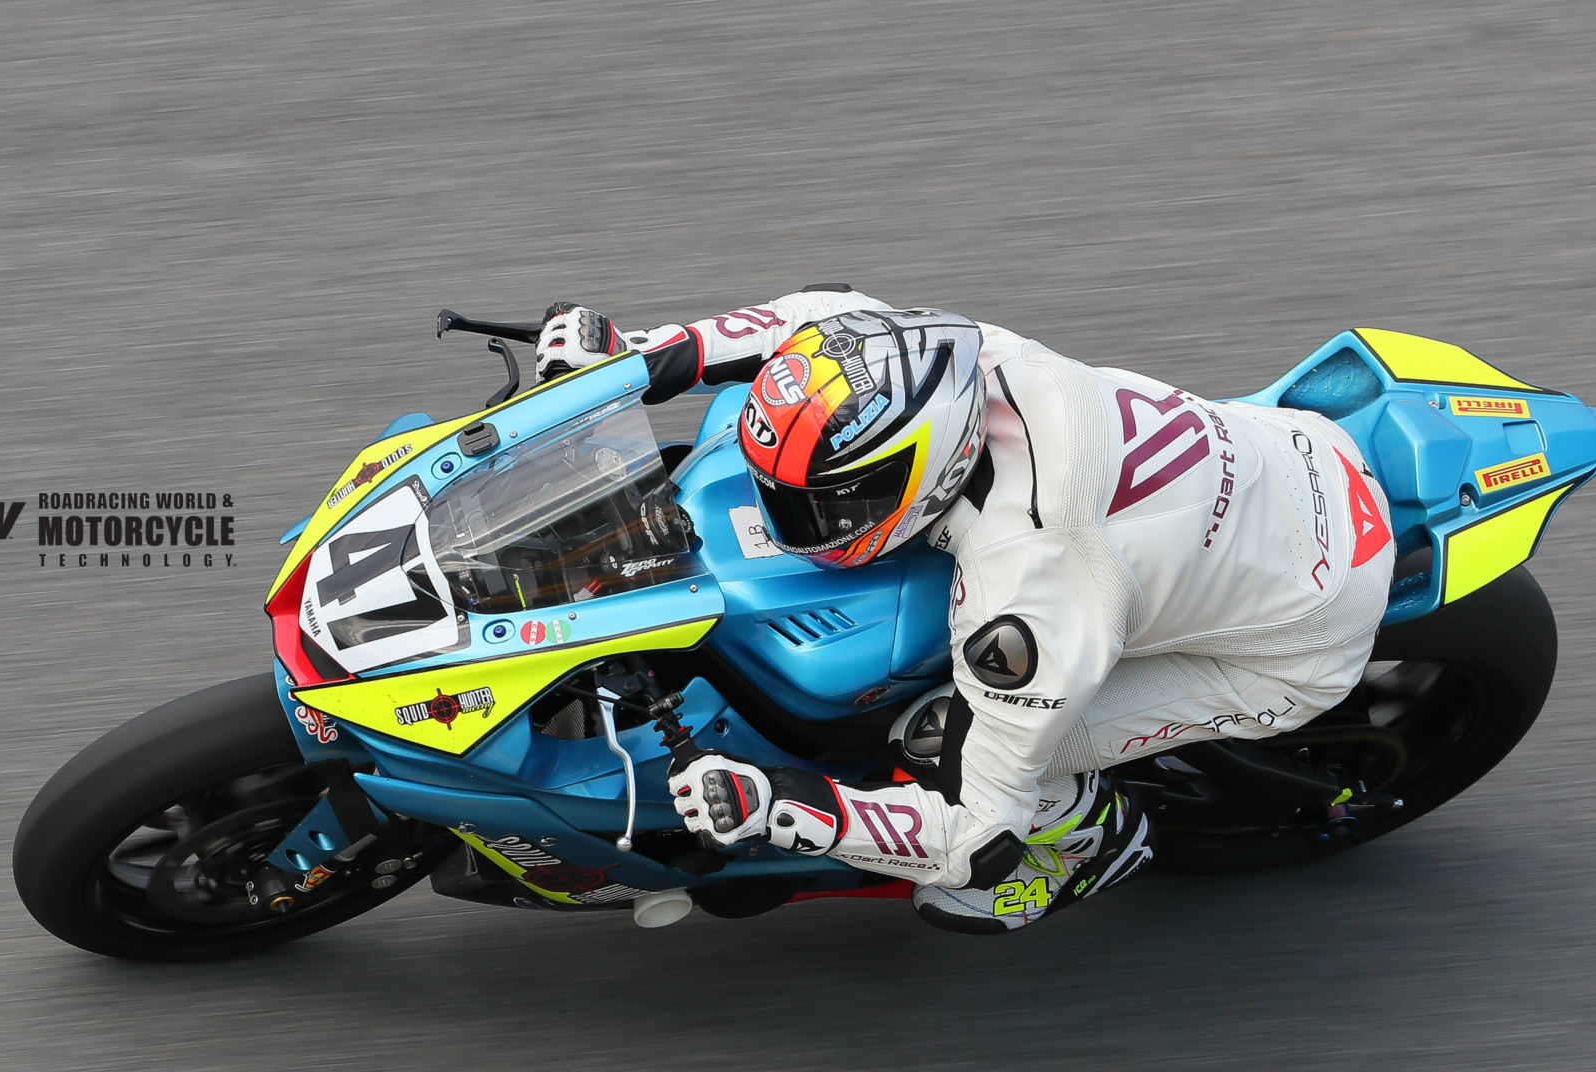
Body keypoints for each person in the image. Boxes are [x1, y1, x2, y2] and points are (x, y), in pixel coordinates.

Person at [534, 288, 1395, 934]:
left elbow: (978, 833)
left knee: (939, 739)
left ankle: (1088, 845)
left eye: (820, 510)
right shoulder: (950, 359)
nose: (788, 524)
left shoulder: (1030, 591)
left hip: (1295, 635)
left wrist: (784, 804)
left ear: (928, 473)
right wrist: (649, 356)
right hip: (1291, 458)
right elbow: (817, 322)